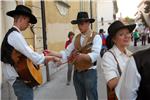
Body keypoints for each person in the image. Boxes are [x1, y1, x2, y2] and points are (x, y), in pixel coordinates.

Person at [1, 5, 60, 100]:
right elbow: (32, 56)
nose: (29, 25)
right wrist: (51, 57)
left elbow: (26, 55)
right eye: (28, 21)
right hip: (18, 78)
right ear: (22, 18)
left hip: (20, 76)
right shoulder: (15, 35)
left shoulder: (15, 34)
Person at [46, 12, 102, 100]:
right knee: (80, 98)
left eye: (82, 23)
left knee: (92, 97)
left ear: (88, 23)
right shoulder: (76, 38)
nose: (80, 26)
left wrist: (80, 56)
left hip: (89, 73)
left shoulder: (96, 37)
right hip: (77, 73)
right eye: (78, 24)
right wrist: (53, 53)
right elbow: (66, 52)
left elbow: (95, 55)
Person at [101, 20, 136, 99]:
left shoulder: (130, 54)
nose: (126, 36)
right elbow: (111, 83)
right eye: (121, 34)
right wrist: (133, 74)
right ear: (114, 39)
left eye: (127, 33)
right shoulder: (108, 56)